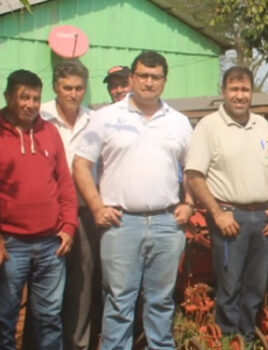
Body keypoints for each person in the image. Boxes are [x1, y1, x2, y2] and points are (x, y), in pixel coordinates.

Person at [72, 51, 194, 350]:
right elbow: (80, 165)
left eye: (155, 77)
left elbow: (193, 169)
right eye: (143, 76)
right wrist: (97, 207)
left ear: (164, 81)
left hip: (167, 223)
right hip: (121, 225)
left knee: (161, 301)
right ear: (132, 78)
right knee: (119, 301)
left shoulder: (179, 122)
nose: (149, 82)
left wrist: (189, 202)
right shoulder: (105, 117)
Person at [185, 66, 268, 340]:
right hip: (229, 218)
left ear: (252, 93)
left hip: (261, 218)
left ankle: (247, 339)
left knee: (255, 286)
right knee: (230, 286)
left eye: (245, 90)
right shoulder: (209, 126)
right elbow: (194, 175)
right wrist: (217, 213)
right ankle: (228, 340)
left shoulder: (262, 125)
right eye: (234, 89)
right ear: (223, 92)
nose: (240, 95)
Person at [0, 69, 78, 350]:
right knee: (5, 317)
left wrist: (68, 227)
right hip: (10, 244)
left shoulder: (49, 131)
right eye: (24, 97)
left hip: (50, 243)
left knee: (48, 317)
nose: (30, 104)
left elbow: (65, 185)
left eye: (35, 98)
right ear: (9, 96)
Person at [39, 59, 101, 350]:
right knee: (45, 290)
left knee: (82, 285)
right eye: (67, 88)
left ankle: (78, 345)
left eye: (78, 88)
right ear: (56, 87)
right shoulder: (40, 117)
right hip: (47, 217)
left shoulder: (94, 120)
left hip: (84, 213)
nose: (73, 94)